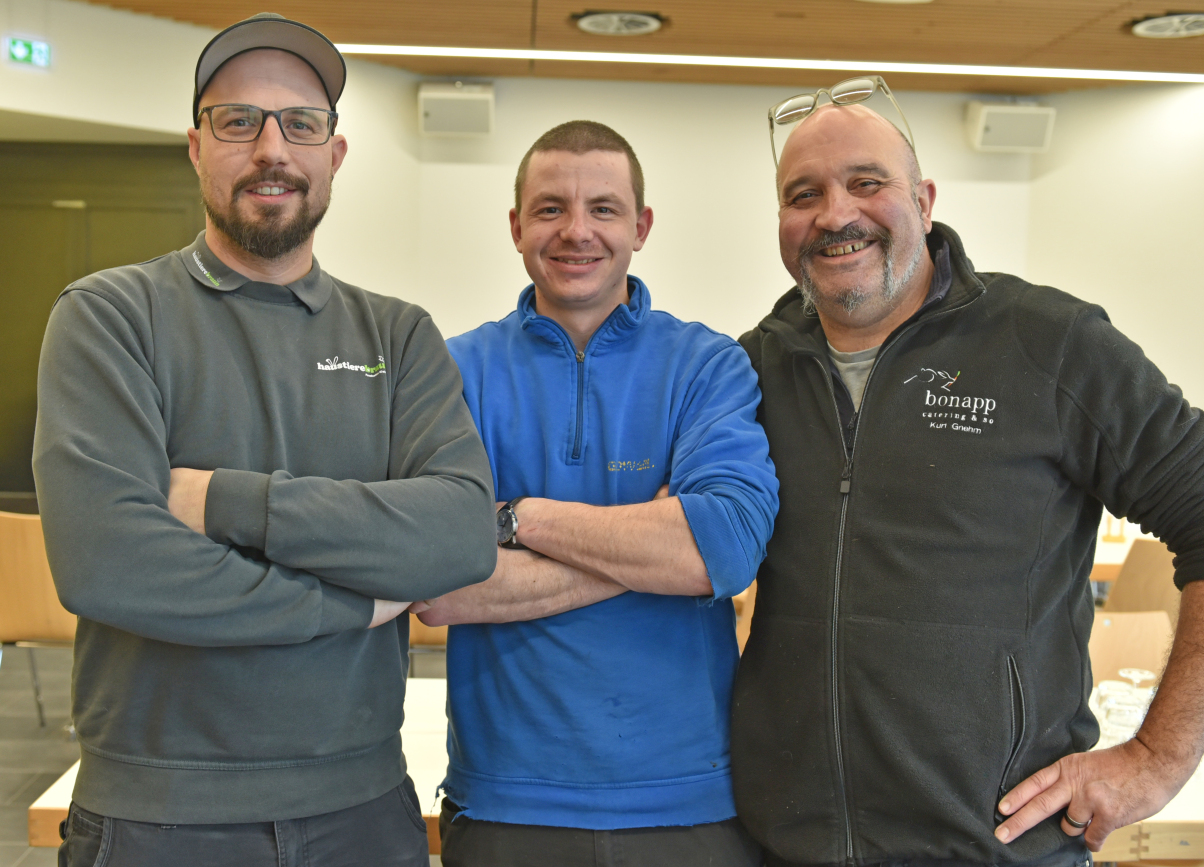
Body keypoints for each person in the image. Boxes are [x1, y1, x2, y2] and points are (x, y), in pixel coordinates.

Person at [729, 91, 1204, 867]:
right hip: (782, 846)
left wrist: (1156, 758)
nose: (835, 214)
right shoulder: (750, 369)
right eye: (803, 195)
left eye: (866, 182)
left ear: (924, 201)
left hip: (996, 849)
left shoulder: (1048, 344)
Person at [34, 14, 496, 866]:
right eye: (238, 121)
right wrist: (350, 602)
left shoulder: (398, 337)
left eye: (301, 124)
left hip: (363, 812)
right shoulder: (110, 317)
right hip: (157, 818)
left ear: (335, 154)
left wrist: (220, 499)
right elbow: (109, 562)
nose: (271, 148)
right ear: (196, 147)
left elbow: (461, 533)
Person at [414, 120, 779, 867]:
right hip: (507, 800)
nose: (576, 231)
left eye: (603, 209)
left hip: (690, 804)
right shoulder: (455, 372)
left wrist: (518, 518)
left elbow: (723, 549)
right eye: (550, 208)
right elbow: (435, 585)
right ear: (516, 226)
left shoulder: (707, 366)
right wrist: (655, 541)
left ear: (641, 227)